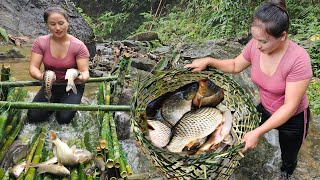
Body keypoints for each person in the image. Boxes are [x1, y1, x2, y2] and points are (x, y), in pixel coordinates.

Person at [184, 0, 312, 179]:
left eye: (263, 42)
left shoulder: (298, 60)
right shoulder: (255, 45)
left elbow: (289, 107)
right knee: (236, 134)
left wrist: (258, 132)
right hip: (264, 107)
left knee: (289, 157)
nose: (257, 46)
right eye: (254, 38)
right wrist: (210, 61)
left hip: (293, 119)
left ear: (282, 36)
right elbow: (236, 64)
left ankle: (286, 172)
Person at [27, 7, 90, 124]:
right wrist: (43, 76)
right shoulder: (40, 42)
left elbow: (85, 72)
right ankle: (54, 103)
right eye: (52, 24)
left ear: (68, 22)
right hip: (50, 85)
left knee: (63, 119)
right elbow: (33, 68)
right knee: (33, 117)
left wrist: (78, 77)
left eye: (61, 23)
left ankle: (71, 101)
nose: (57, 28)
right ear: (47, 25)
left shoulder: (79, 46)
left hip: (73, 86)